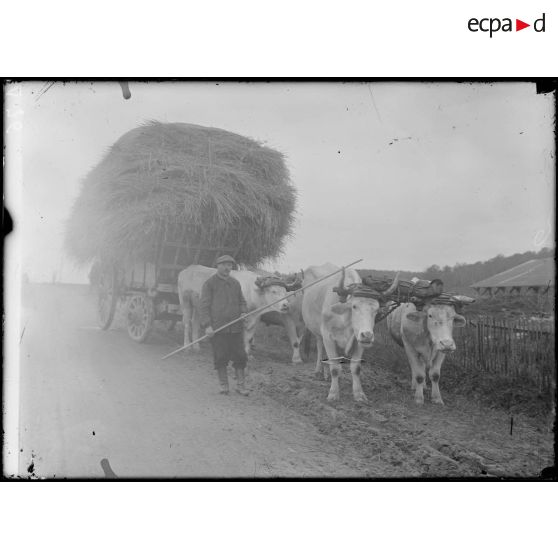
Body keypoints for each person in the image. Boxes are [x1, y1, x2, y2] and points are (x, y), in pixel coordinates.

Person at [199, 255, 249, 395]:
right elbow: (204, 306)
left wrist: (244, 312)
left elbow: (242, 302)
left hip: (236, 328)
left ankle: (240, 385)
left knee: (240, 356)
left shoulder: (235, 283)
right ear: (218, 266)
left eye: (230, 265)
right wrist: (207, 325)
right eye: (225, 265)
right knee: (221, 356)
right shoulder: (210, 284)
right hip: (218, 329)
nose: (228, 268)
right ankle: (223, 385)